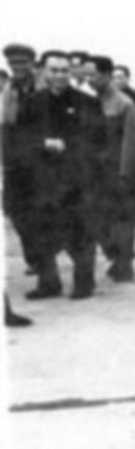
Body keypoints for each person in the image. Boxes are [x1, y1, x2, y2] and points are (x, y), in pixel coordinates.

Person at [19, 50, 108, 300]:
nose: (59, 75)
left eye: (64, 71)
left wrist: (67, 145)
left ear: (71, 72)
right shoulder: (32, 103)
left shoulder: (86, 102)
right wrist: (43, 143)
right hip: (43, 180)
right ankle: (49, 283)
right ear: (43, 72)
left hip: (77, 180)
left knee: (80, 234)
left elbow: (99, 141)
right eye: (54, 70)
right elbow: (21, 139)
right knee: (42, 234)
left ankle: (84, 283)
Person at [84, 55, 135, 282]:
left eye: (93, 75)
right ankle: (116, 255)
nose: (89, 80)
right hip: (94, 173)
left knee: (122, 220)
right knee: (97, 220)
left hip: (117, 173)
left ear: (107, 75)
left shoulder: (125, 104)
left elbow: (132, 142)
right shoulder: (88, 102)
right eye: (86, 75)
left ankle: (124, 263)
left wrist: (125, 174)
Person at [2, 43, 43, 276]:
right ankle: (34, 258)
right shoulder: (8, 89)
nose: (18, 67)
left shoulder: (42, 86)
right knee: (18, 212)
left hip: (41, 160)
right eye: (13, 63)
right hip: (15, 161)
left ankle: (43, 259)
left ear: (31, 63)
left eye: (22, 63)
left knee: (43, 212)